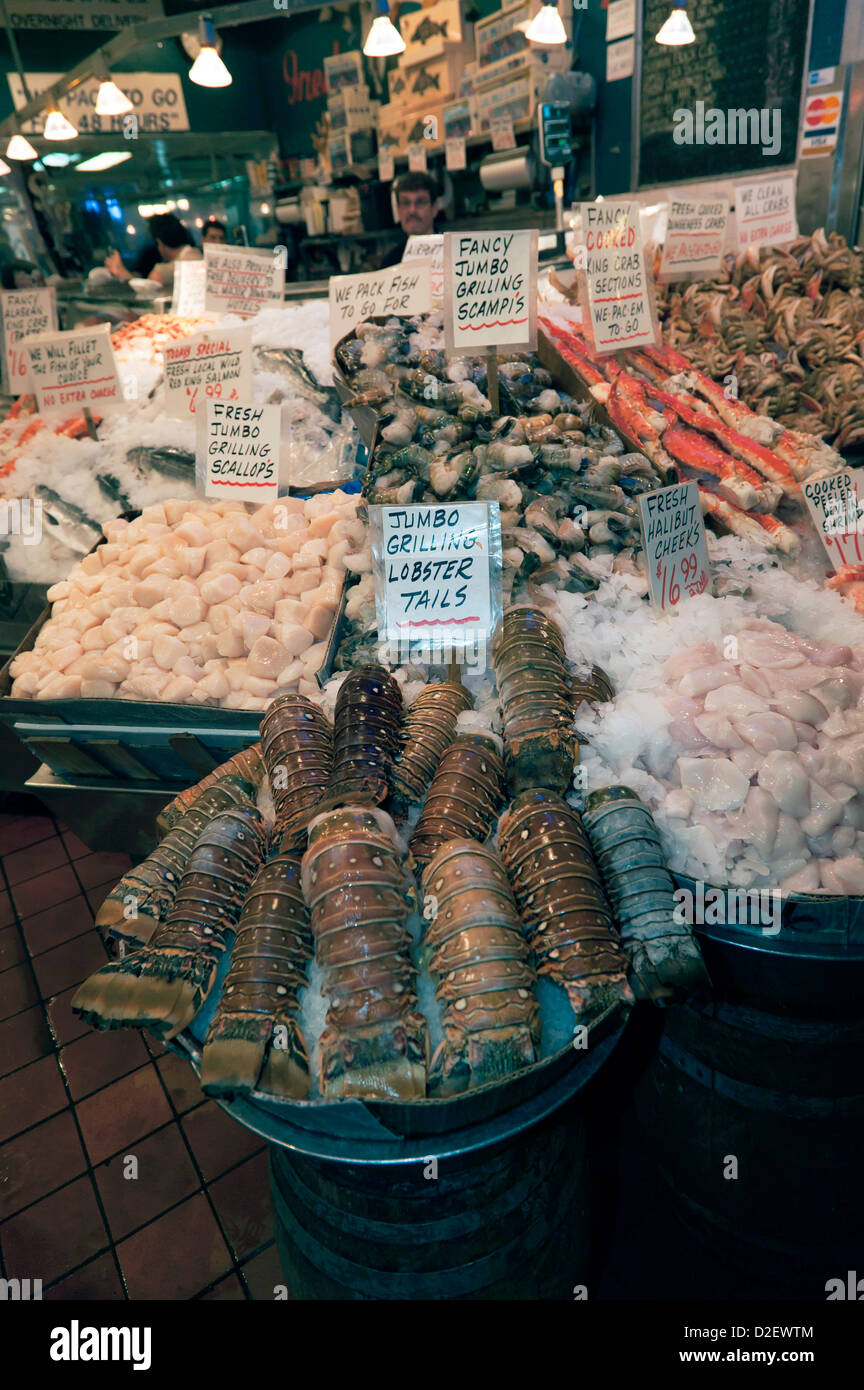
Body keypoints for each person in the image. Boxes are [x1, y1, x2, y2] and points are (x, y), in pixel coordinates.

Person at [105, 213, 200, 287]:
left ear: (160, 243)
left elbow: (151, 285)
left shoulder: (188, 260)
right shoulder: (194, 253)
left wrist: (120, 271)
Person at [380, 172, 440, 267]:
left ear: (434, 208)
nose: (412, 210)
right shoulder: (390, 262)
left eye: (420, 202)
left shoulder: (453, 253)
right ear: (398, 210)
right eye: (405, 203)